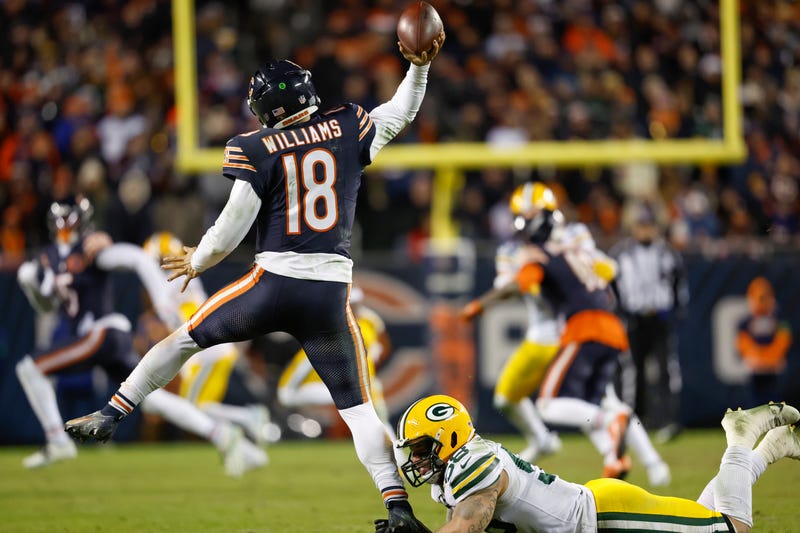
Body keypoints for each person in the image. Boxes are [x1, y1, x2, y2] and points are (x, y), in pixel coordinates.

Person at [65, 32, 446, 533]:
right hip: (329, 293)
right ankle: (398, 508)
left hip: (272, 285)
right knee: (359, 412)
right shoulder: (348, 125)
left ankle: (113, 412)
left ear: (266, 107)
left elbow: (232, 226)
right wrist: (419, 67)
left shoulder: (256, 146)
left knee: (185, 339)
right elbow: (401, 110)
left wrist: (199, 260)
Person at [15, 198, 266, 477]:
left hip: (101, 333)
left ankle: (57, 440)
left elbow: (138, 259)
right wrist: (30, 285)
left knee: (29, 367)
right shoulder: (51, 257)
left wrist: (163, 306)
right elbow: (48, 305)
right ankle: (226, 436)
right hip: (104, 337)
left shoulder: (91, 248)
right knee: (152, 399)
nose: (65, 229)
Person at [463, 182, 670, 486]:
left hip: (571, 331)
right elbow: (604, 272)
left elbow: (603, 269)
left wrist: (481, 304)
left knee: (574, 403)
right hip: (560, 330)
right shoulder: (531, 248)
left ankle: (635, 456)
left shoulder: (551, 247)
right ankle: (581, 448)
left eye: (530, 216)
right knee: (515, 397)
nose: (525, 223)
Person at [387, 394, 800, 533]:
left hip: (607, 518)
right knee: (707, 517)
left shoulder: (471, 464)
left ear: (450, 437)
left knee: (730, 529)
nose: (417, 460)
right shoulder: (456, 473)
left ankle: (743, 436)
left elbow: (467, 527)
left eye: (422, 448)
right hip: (597, 516)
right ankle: (774, 447)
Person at [140, 231, 278, 445]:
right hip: (212, 348)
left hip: (205, 351)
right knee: (198, 406)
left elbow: (160, 303)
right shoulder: (182, 277)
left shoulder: (170, 281)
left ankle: (245, 420)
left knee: (191, 408)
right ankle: (248, 417)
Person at [610, 202, 688, 442]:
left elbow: (679, 284)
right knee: (633, 372)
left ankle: (668, 420)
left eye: (649, 225)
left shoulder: (668, 253)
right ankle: (634, 421)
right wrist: (620, 313)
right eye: (641, 225)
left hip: (660, 318)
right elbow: (611, 287)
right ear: (633, 227)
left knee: (666, 369)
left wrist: (676, 311)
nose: (645, 230)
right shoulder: (620, 254)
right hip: (634, 319)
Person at [277, 287, 394, 438]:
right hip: (323, 383)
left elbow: (378, 348)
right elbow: (305, 359)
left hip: (352, 382)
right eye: (350, 303)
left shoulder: (367, 322)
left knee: (374, 412)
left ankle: (389, 443)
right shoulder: (332, 325)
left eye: (355, 303)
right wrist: (287, 387)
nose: (353, 307)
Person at [736, 276, 793, 407]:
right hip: (755, 366)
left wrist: (771, 357)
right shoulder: (747, 321)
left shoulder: (779, 320)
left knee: (773, 398)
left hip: (772, 366)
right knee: (755, 400)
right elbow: (743, 342)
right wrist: (756, 356)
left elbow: (784, 339)